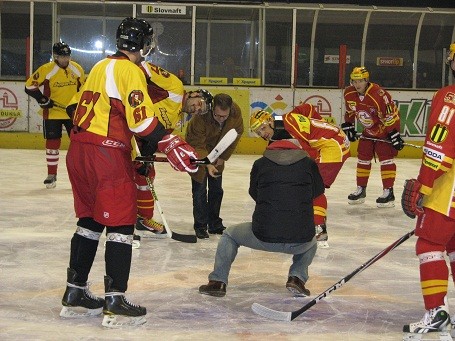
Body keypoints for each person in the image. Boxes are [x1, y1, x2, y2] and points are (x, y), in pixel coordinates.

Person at [60, 17, 199, 328]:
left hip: (79, 151)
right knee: (122, 224)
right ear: (146, 45)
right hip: (105, 154)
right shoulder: (130, 71)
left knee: (90, 221)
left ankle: (75, 293)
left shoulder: (99, 66)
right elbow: (140, 122)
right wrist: (171, 140)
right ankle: (115, 302)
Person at [198, 139, 325, 297]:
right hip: (299, 240)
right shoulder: (309, 164)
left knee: (230, 234)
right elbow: (318, 191)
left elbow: (254, 193)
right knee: (311, 241)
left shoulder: (260, 164)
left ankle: (217, 282)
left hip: (263, 234)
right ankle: (297, 278)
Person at [401, 42, 455, 335]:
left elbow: (438, 147)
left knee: (430, 245)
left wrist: (423, 184)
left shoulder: (449, 97)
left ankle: (436, 312)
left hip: (449, 192)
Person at [134, 61, 216, 239]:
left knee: (145, 174)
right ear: (194, 94)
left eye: (200, 111)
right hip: (124, 123)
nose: (196, 109)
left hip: (137, 137)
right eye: (198, 103)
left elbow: (155, 137)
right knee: (121, 177)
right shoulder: (175, 88)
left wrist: (147, 154)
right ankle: (119, 221)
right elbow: (144, 66)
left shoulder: (176, 119)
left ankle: (143, 218)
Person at [249, 103, 350, 248]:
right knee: (307, 185)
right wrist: (318, 124)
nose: (262, 134)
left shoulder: (289, 126)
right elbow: (307, 108)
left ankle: (319, 231)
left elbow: (307, 156)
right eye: (258, 132)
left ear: (270, 121)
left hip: (334, 146)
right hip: (333, 139)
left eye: (263, 128)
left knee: (314, 187)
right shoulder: (283, 119)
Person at [24, 42, 85, 189]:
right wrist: (42, 99)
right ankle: (52, 174)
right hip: (53, 113)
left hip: (73, 113)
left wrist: (79, 106)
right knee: (52, 144)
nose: (65, 59)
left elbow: (84, 89)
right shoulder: (46, 69)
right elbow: (29, 86)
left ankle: (82, 176)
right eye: (62, 56)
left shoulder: (77, 69)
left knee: (79, 144)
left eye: (67, 56)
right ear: (55, 56)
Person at [342, 66, 404, 207]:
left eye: (360, 81)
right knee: (362, 159)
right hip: (368, 132)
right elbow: (351, 111)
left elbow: (390, 115)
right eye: (354, 81)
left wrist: (394, 133)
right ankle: (361, 190)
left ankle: (389, 192)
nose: (357, 84)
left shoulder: (379, 94)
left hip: (384, 131)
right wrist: (349, 124)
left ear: (366, 80)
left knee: (386, 160)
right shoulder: (349, 93)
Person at [185, 93, 244, 239]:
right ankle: (200, 226)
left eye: (224, 116)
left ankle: (214, 223)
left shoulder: (235, 114)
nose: (221, 119)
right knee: (199, 191)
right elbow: (196, 143)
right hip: (199, 154)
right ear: (212, 109)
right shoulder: (200, 117)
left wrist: (223, 157)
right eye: (217, 115)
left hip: (218, 154)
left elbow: (236, 135)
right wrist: (207, 163)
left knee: (216, 190)